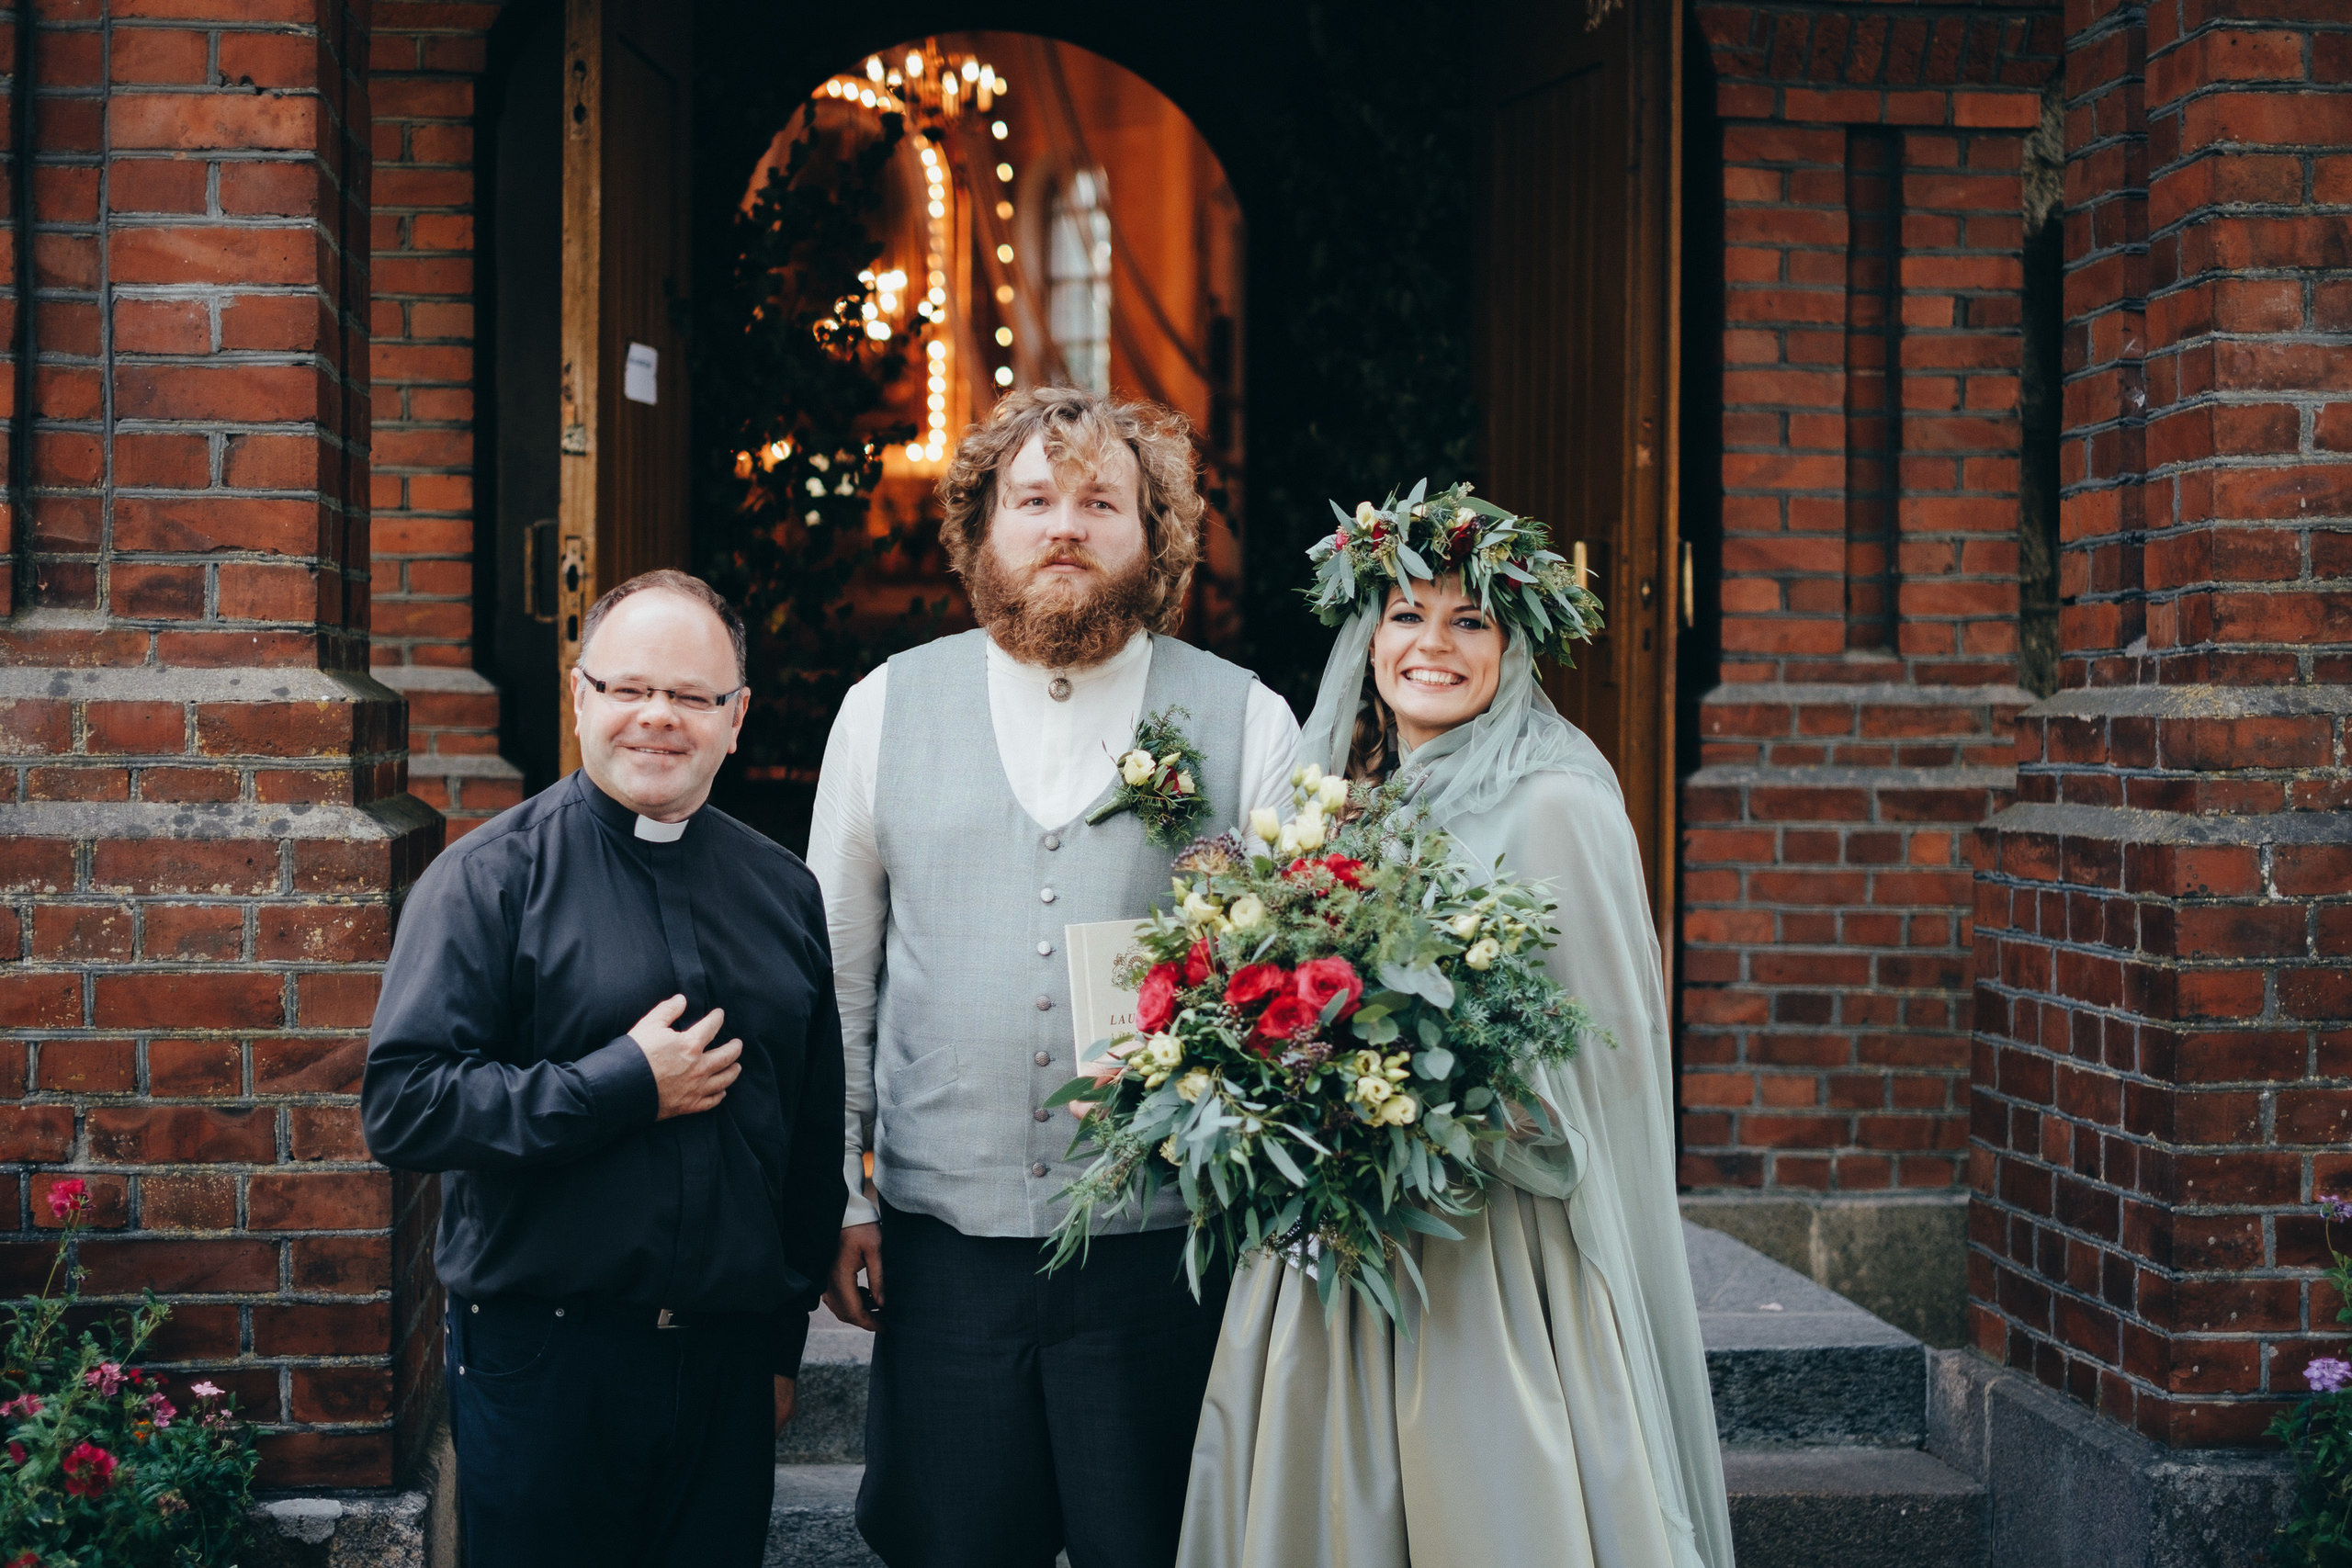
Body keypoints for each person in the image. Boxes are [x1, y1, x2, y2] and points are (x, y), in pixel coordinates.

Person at [1176, 486, 1736, 1568]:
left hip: (1491, 1245)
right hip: (1331, 1233)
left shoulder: (1556, 802)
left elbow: (1605, 1056)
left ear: (1511, 647)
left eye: (1468, 620)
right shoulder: (1325, 798)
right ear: (1366, 635)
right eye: (1404, 614)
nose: (1431, 645)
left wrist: (1444, 1100)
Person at [808, 386, 1299, 1568]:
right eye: (1033, 500)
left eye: (1098, 502)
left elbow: (1296, 988)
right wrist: (842, 1195)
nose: (1064, 526)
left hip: (1165, 1252)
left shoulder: (1247, 722)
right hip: (944, 1250)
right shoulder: (882, 711)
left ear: (1154, 534)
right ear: (984, 527)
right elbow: (835, 980)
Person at [363, 570, 847, 1568]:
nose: (657, 718)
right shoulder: (487, 881)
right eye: (628, 689)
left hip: (724, 1364)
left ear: (736, 717)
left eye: (690, 696)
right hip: (544, 1359)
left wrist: (778, 1343)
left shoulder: (784, 893)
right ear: (580, 696)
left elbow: (805, 1133)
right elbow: (406, 1107)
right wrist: (624, 1082)